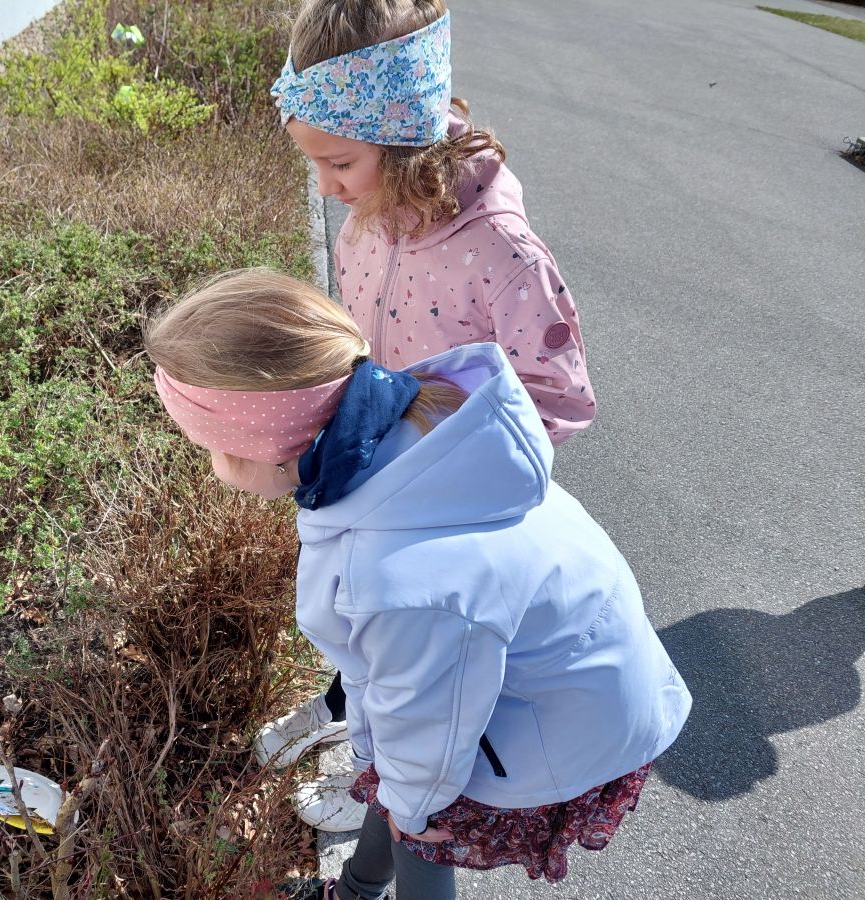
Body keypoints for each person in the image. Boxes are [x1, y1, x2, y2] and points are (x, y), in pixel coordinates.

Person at [144, 269, 690, 899]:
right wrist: (391, 777)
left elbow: (427, 731)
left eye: (209, 447)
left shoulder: (403, 579)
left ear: (266, 446)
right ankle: (356, 891)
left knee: (420, 833)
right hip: (561, 683)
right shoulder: (414, 429)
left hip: (555, 730)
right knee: (398, 789)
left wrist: (411, 802)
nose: (210, 464)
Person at [258, 0, 598, 818]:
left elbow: (558, 398)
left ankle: (379, 774)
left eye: (339, 163)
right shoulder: (368, 214)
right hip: (379, 462)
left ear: (405, 136)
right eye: (313, 163)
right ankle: (344, 705)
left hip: (448, 499)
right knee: (361, 616)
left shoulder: (502, 252)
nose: (324, 187)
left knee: (413, 648)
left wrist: (454, 454)